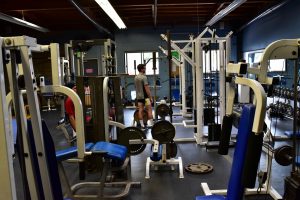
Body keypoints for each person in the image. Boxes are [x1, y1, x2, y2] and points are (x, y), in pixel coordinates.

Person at [134, 63, 154, 129]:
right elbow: (147, 88)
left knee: (140, 110)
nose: (145, 69)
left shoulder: (136, 77)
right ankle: (152, 124)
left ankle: (142, 125)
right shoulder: (144, 77)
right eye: (144, 68)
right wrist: (150, 97)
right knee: (149, 110)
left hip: (139, 97)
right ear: (142, 69)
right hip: (145, 97)